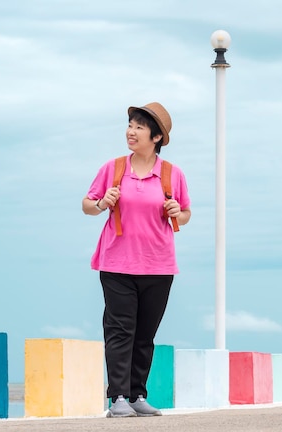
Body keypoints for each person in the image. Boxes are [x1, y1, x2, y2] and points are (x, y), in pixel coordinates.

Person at [82, 102, 191, 417]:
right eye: (130, 125)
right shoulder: (114, 168)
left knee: (145, 334)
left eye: (139, 127)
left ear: (156, 137)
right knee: (120, 330)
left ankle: (137, 395)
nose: (131, 132)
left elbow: (185, 212)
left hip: (159, 265)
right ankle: (117, 398)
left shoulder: (172, 174)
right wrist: (102, 202)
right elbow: (87, 205)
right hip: (117, 264)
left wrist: (177, 212)